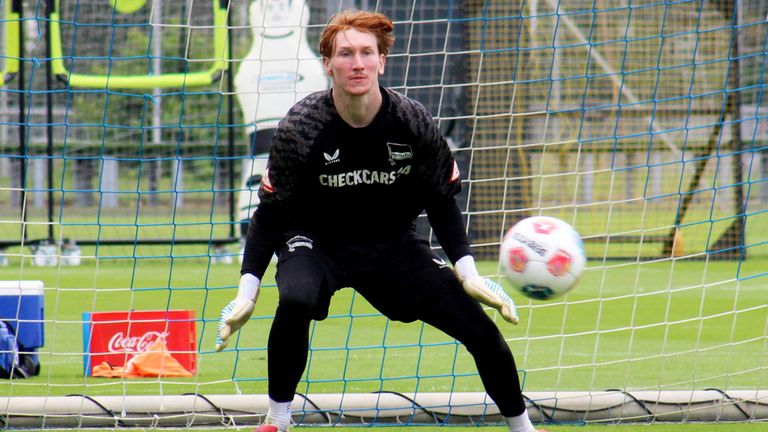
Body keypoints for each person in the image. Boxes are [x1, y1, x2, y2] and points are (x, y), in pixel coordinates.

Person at [216, 10, 547, 432]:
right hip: (316, 241)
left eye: (366, 53)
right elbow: (269, 214)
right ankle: (278, 419)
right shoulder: (301, 126)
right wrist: (248, 289)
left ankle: (524, 428)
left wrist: (467, 271)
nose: (357, 63)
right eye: (346, 53)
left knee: (477, 328)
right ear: (328, 64)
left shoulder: (412, 122)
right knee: (296, 298)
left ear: (382, 61)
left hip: (391, 246)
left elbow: (442, 202)